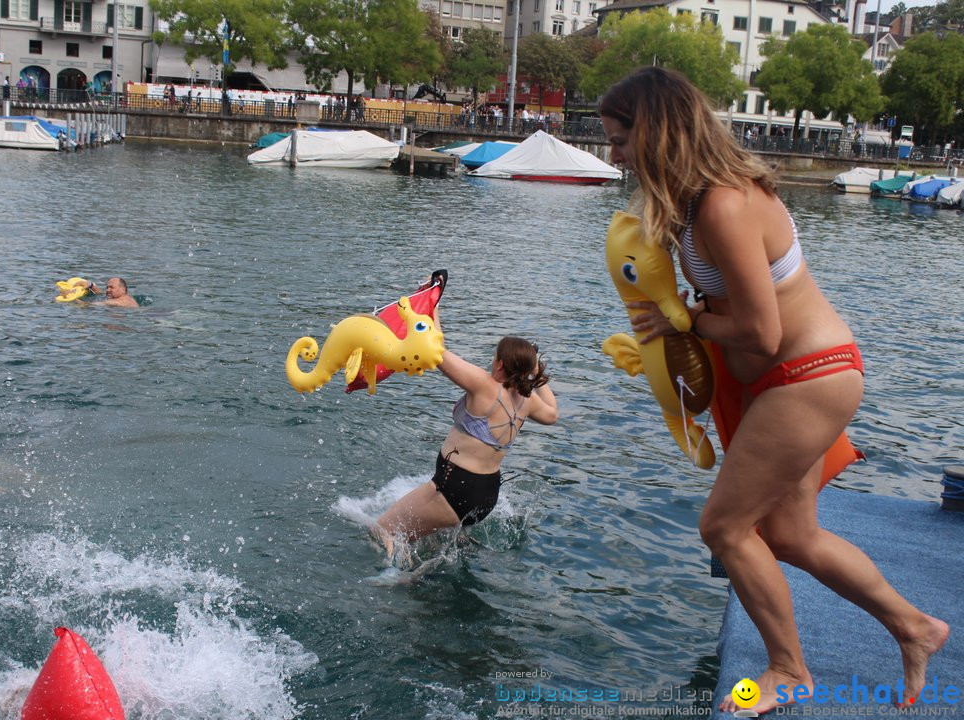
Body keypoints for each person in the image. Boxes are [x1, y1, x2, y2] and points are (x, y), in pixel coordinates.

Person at [597, 66, 948, 714]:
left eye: (620, 139)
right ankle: (915, 627)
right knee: (791, 535)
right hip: (790, 379)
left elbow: (762, 331)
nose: (613, 154)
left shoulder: (726, 204)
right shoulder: (695, 200)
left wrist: (685, 320)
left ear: (656, 132)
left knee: (725, 527)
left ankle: (787, 671)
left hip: (808, 377)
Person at [374, 312, 558, 559]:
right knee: (433, 541)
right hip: (486, 496)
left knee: (382, 530)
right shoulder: (527, 401)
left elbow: (436, 353)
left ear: (500, 363)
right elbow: (553, 414)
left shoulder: (484, 385)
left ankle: (391, 577)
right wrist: (534, 373)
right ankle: (422, 571)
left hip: (453, 489)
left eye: (494, 356)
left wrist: (434, 308)